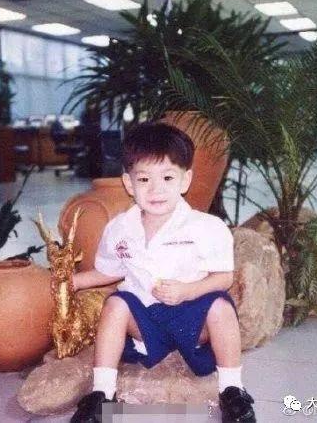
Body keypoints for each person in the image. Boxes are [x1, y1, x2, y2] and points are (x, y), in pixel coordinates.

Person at [70, 122, 256, 423]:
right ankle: (102, 392)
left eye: (168, 177)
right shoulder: (119, 228)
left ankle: (232, 390)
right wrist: (73, 281)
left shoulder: (208, 227)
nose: (156, 189)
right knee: (115, 304)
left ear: (185, 180)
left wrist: (188, 291)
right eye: (144, 179)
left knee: (221, 306)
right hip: (145, 321)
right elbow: (109, 271)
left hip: (194, 319)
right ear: (129, 183)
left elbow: (224, 278)